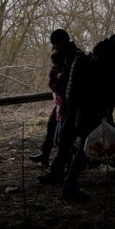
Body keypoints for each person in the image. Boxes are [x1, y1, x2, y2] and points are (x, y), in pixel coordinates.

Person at [59, 32, 115, 200]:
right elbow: (98, 91)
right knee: (86, 151)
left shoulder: (99, 58)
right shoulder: (105, 63)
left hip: (92, 113)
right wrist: (103, 112)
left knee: (110, 143)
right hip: (95, 114)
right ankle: (69, 189)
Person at [29, 29, 84, 165]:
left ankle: (72, 162)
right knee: (53, 126)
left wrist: (56, 83)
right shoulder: (67, 55)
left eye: (56, 44)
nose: (55, 48)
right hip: (64, 101)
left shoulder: (72, 57)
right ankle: (47, 155)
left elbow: (67, 81)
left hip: (70, 102)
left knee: (64, 136)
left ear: (62, 42)